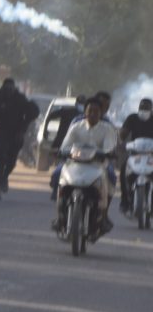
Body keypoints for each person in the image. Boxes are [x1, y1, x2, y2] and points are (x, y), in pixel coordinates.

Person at [56, 96, 117, 233]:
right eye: (90, 111)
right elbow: (66, 145)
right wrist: (62, 152)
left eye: (96, 111)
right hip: (74, 164)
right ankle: (59, 212)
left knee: (112, 177)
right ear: (85, 112)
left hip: (98, 165)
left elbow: (109, 147)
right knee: (56, 174)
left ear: (101, 113)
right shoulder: (76, 127)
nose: (93, 114)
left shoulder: (107, 129)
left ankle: (104, 214)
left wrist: (105, 153)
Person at [0, 78, 39, 201]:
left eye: (11, 88)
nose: (9, 90)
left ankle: (4, 177)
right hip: (1, 132)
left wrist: (22, 129)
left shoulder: (20, 99)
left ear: (14, 88)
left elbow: (31, 113)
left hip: (16, 134)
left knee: (11, 161)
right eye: (6, 88)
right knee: (0, 157)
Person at [118, 98, 153, 213]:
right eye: (142, 108)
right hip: (135, 153)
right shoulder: (132, 118)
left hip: (151, 154)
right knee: (123, 170)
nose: (144, 111)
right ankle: (125, 201)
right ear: (138, 108)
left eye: (146, 108)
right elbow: (123, 133)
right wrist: (121, 142)